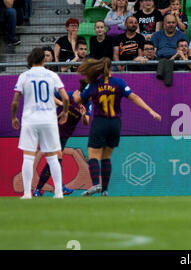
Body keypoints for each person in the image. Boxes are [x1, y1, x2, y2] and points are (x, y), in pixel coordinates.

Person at [73, 57, 162, 196]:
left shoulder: (94, 84)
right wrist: (150, 110)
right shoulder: (119, 82)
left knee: (93, 155)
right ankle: (105, 190)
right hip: (115, 124)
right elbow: (134, 97)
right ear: (111, 69)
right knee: (106, 157)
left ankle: (96, 184)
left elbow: (79, 99)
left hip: (100, 122)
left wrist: (77, 94)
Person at [11, 48, 70, 199]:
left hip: (30, 120)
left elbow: (15, 101)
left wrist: (13, 117)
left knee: (28, 157)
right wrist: (65, 112)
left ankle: (26, 193)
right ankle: (58, 193)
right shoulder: (52, 75)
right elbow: (66, 98)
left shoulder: (24, 76)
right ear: (44, 60)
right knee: (52, 157)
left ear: (30, 59)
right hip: (49, 120)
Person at [33, 79, 92, 197]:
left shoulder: (87, 104)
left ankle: (38, 190)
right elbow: (48, 96)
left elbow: (86, 122)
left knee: (53, 162)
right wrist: (62, 104)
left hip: (64, 136)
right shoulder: (68, 96)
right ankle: (59, 187)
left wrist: (83, 115)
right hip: (53, 130)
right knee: (57, 158)